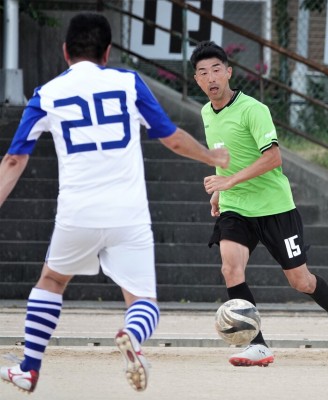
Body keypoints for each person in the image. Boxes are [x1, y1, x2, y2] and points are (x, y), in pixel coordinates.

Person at [0, 13, 229, 393]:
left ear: (64, 51)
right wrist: (211, 157)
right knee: (144, 302)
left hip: (77, 213)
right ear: (107, 52)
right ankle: (132, 338)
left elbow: (13, 160)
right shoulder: (128, 83)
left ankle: (29, 368)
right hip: (128, 215)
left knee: (52, 281)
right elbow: (170, 137)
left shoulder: (47, 94)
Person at [190, 40, 328, 367]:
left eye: (215, 70)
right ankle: (257, 344)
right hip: (236, 207)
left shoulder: (254, 109)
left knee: (301, 281)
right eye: (202, 73)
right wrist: (220, 191)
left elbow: (272, 158)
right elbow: (228, 157)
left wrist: (227, 182)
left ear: (228, 72)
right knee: (230, 266)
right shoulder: (205, 113)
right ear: (197, 80)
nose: (210, 78)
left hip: (274, 207)